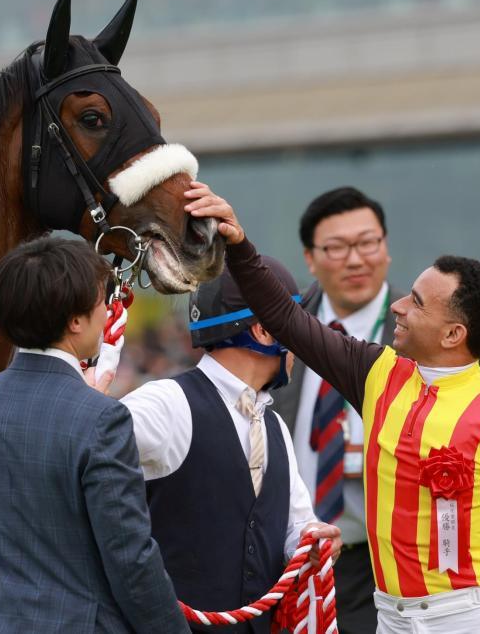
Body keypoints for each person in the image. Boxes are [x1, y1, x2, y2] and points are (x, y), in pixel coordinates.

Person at [184, 182, 480, 634]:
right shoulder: (377, 370)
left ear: (453, 335)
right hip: (389, 617)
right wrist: (239, 244)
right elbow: (285, 317)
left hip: (470, 617)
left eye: (416, 303)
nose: (398, 305)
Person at [274, 186, 480, 630]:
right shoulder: (284, 330)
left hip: (392, 576)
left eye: (368, 243)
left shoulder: (431, 330)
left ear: (386, 249)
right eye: (337, 247)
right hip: (295, 561)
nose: (356, 259)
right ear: (310, 258)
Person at [0, 236, 189, 633]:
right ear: (75, 322)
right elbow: (130, 558)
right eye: (100, 302)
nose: (105, 312)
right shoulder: (101, 418)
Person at [120, 257, 342, 633]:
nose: (302, 337)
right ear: (263, 332)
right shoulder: (165, 404)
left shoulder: (272, 423)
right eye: (292, 322)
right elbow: (82, 450)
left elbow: (294, 525)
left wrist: (313, 541)